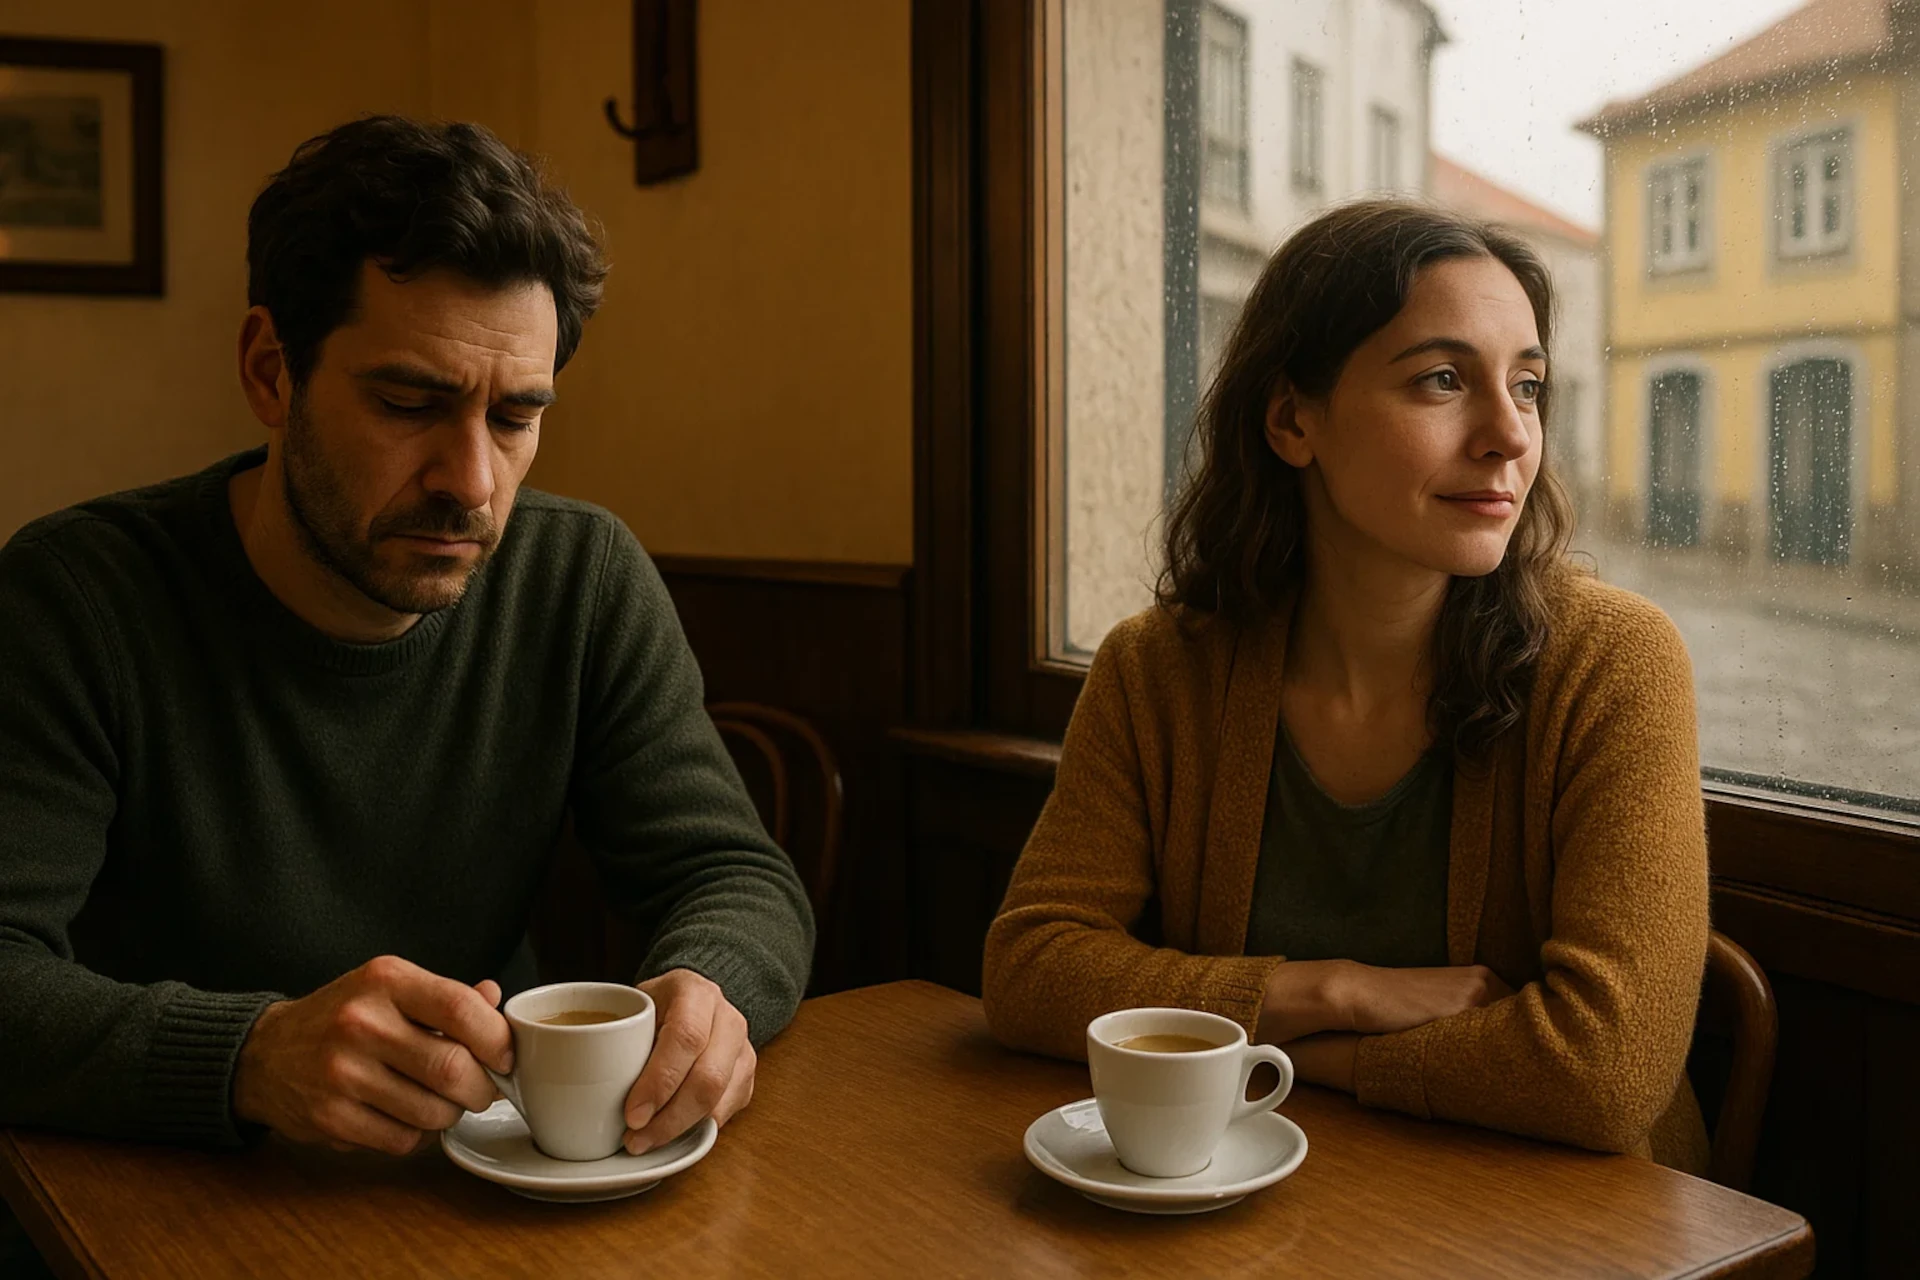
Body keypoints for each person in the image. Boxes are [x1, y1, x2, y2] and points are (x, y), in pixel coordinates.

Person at [0, 117, 813, 1167]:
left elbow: (734, 874)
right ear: (268, 370)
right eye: (407, 402)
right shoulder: (78, 599)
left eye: (516, 416)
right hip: (154, 1191)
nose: (472, 482)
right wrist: (246, 1054)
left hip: (478, 1187)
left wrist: (711, 988)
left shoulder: (582, 578)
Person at [982, 199, 1711, 1171]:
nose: (1508, 435)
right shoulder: (1158, 669)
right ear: (1292, 418)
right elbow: (1030, 970)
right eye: (1444, 380)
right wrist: (1335, 990)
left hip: (1564, 1228)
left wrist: (1294, 1053)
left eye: (1528, 386)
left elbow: (1603, 1072)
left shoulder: (1616, 662)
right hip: (1257, 1205)